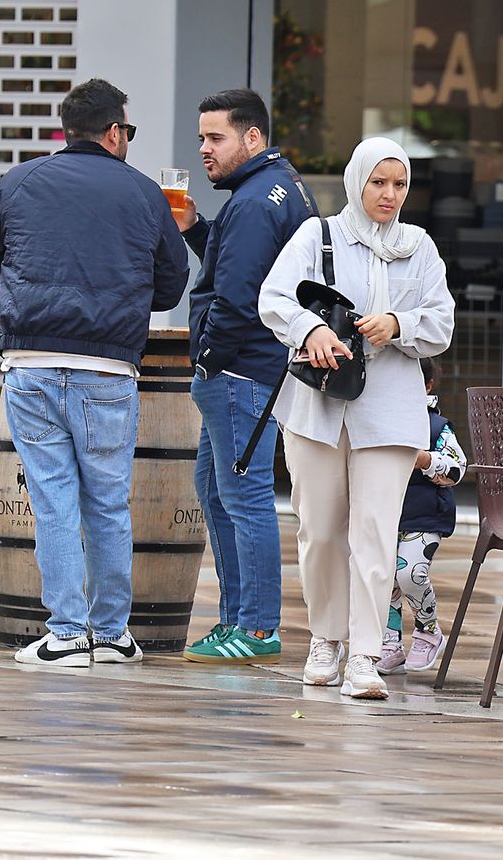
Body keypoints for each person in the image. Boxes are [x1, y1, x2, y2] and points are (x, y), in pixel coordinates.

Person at [0, 78, 189, 668]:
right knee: (110, 502)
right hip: (108, 370)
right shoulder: (145, 194)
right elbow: (171, 285)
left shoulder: (20, 182)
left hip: (32, 365)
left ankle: (65, 634)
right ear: (114, 132)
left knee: (54, 502)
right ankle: (112, 632)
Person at [258, 137, 455, 700]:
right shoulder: (318, 236)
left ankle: (365, 655)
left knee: (376, 532)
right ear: (357, 182)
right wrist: (311, 330)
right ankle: (326, 639)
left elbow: (442, 322)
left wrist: (398, 323)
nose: (389, 195)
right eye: (378, 182)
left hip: (390, 406)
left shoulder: (419, 247)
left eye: (399, 184)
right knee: (319, 529)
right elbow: (273, 298)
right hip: (319, 404)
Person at [171, 90, 311, 665]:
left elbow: (237, 294)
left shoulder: (255, 203)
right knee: (215, 487)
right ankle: (237, 619)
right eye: (202, 137)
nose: (204, 149)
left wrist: (209, 355)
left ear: (252, 138)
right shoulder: (277, 188)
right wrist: (196, 228)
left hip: (240, 369)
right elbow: (251, 267)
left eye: (215, 138)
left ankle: (254, 628)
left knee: (243, 495)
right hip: (251, 367)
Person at [378, 357, 467, 676]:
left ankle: (428, 628)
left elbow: (457, 469)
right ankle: (389, 643)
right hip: (385, 512)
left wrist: (425, 460)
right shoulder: (378, 417)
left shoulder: (436, 427)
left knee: (411, 573)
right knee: (382, 579)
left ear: (428, 386)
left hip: (424, 514)